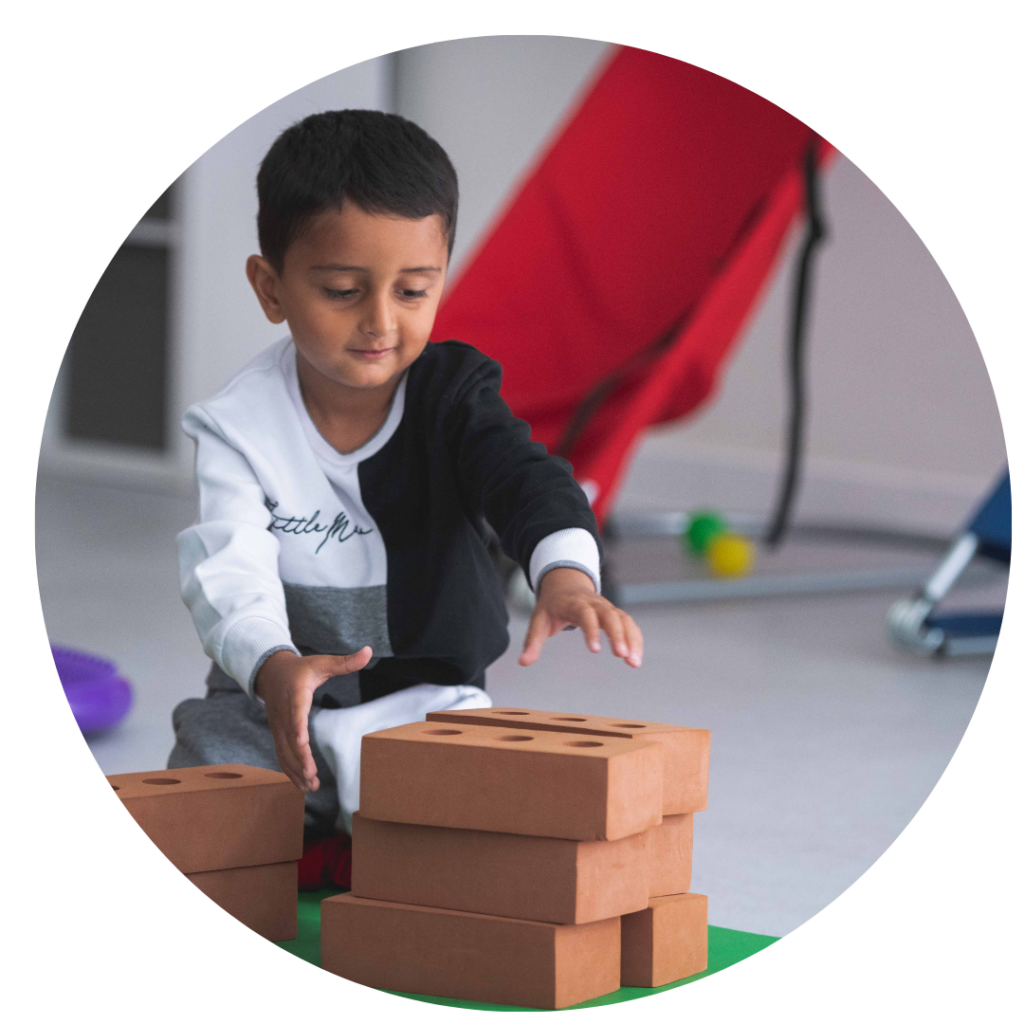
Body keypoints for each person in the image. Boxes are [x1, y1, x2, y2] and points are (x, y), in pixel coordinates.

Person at [169, 110, 644, 886]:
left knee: (476, 828)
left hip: (423, 701)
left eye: (414, 290)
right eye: (343, 290)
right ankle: (316, 845)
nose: (381, 323)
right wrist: (271, 663)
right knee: (201, 800)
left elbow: (525, 477)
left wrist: (564, 571)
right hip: (272, 698)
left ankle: (343, 850)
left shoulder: (455, 397)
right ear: (271, 287)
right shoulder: (236, 425)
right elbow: (228, 566)